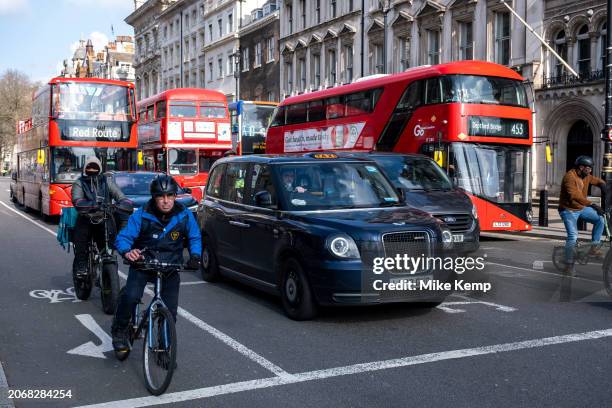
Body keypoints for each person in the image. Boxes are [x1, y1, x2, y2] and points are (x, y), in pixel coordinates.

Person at [110, 175, 202, 355]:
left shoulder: (184, 215)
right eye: (161, 197)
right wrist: (128, 252)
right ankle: (119, 331)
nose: (166, 201)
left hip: (170, 267)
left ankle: (164, 347)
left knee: (170, 312)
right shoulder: (142, 214)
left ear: (175, 196)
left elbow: (194, 237)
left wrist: (195, 255)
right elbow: (123, 238)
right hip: (143, 265)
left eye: (170, 196)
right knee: (130, 296)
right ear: (154, 197)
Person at [71, 156, 132, 277]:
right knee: (81, 240)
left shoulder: (107, 181)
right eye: (89, 167)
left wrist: (123, 204)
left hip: (104, 218)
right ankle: (82, 266)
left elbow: (122, 198)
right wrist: (93, 205)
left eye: (95, 167)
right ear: (85, 168)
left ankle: (109, 257)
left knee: (111, 238)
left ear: (100, 168)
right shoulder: (79, 183)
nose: (92, 169)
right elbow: (77, 201)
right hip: (86, 218)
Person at [558, 155, 606, 273]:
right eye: (588, 168)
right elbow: (575, 195)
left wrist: (603, 185)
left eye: (590, 168)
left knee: (600, 219)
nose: (590, 170)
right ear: (581, 167)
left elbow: (597, 180)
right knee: (573, 236)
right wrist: (592, 204)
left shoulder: (586, 176)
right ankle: (568, 266)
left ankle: (594, 247)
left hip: (581, 208)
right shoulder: (569, 177)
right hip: (568, 210)